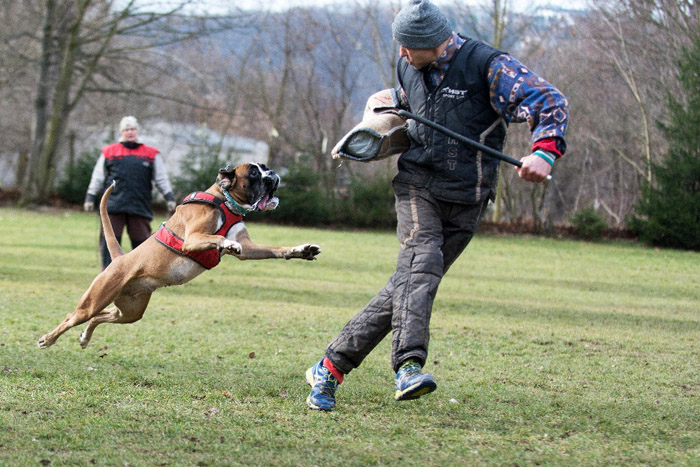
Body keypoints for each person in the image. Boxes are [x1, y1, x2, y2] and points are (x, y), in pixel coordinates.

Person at [305, 0, 569, 411]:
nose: (402, 55)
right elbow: (406, 99)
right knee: (422, 264)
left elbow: (548, 100)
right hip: (418, 186)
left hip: (469, 196)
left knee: (409, 286)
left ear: (434, 43)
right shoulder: (408, 64)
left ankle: (329, 367)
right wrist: (381, 109)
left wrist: (545, 151)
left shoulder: (487, 66)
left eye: (409, 48)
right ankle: (408, 367)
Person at [84, 116, 177, 269]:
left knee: (142, 244)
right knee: (110, 242)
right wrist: (90, 196)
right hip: (113, 206)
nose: (130, 132)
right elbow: (98, 177)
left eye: (132, 129)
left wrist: (169, 197)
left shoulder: (151, 153)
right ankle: (107, 275)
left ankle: (141, 274)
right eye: (126, 129)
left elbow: (161, 178)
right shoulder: (109, 152)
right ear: (122, 132)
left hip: (139, 206)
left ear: (137, 131)